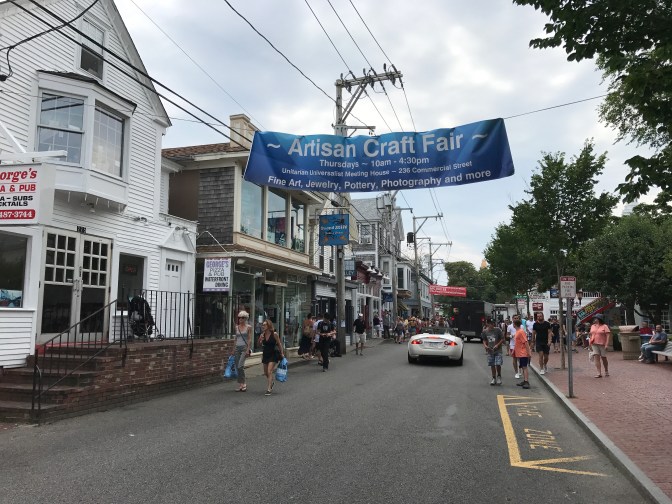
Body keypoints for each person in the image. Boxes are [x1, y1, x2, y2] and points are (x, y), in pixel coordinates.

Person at [258, 319, 284, 395]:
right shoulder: (262, 335)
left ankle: (269, 388)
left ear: (269, 326)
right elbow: (258, 345)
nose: (263, 326)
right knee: (266, 372)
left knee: (269, 371)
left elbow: (279, 344)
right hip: (266, 354)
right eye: (262, 325)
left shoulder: (274, 334)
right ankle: (271, 382)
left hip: (273, 354)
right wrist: (260, 339)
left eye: (264, 325)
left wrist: (282, 353)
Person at [233, 310, 252, 392]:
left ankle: (244, 383)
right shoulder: (236, 327)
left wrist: (248, 349)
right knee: (237, 366)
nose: (240, 319)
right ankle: (240, 384)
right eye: (239, 317)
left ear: (246, 318)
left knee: (240, 365)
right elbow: (235, 338)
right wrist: (233, 349)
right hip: (237, 347)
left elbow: (249, 339)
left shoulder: (249, 327)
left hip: (244, 348)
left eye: (242, 317)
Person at [482, 318, 504, 385]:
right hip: (490, 350)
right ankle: (494, 378)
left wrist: (497, 345)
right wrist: (485, 345)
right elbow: (484, 340)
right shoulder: (485, 331)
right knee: (492, 365)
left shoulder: (497, 330)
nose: (491, 325)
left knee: (498, 364)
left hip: (498, 350)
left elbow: (502, 339)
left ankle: (499, 376)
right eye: (489, 324)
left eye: (492, 323)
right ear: (487, 324)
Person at [589, 314, 611, 378]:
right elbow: (591, 335)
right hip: (594, 344)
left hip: (602, 344)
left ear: (599, 319)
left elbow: (608, 335)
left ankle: (606, 370)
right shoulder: (592, 326)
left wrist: (607, 344)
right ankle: (599, 372)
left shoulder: (604, 326)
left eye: (596, 318)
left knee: (604, 358)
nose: (594, 319)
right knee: (596, 357)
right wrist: (590, 343)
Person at [514, 319, 532, 389]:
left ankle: (526, 381)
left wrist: (529, 352)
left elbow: (526, 342)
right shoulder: (518, 331)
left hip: (523, 353)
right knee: (522, 366)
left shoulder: (521, 332)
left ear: (515, 324)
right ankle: (524, 380)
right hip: (519, 353)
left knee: (524, 367)